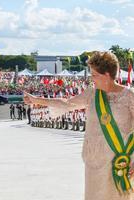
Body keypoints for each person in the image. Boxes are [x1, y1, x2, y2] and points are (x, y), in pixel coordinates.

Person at [24, 51, 134, 200]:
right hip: (95, 162)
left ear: (107, 75)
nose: (92, 79)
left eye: (95, 75)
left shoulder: (129, 96)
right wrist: (36, 100)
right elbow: (67, 104)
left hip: (121, 161)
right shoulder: (91, 94)